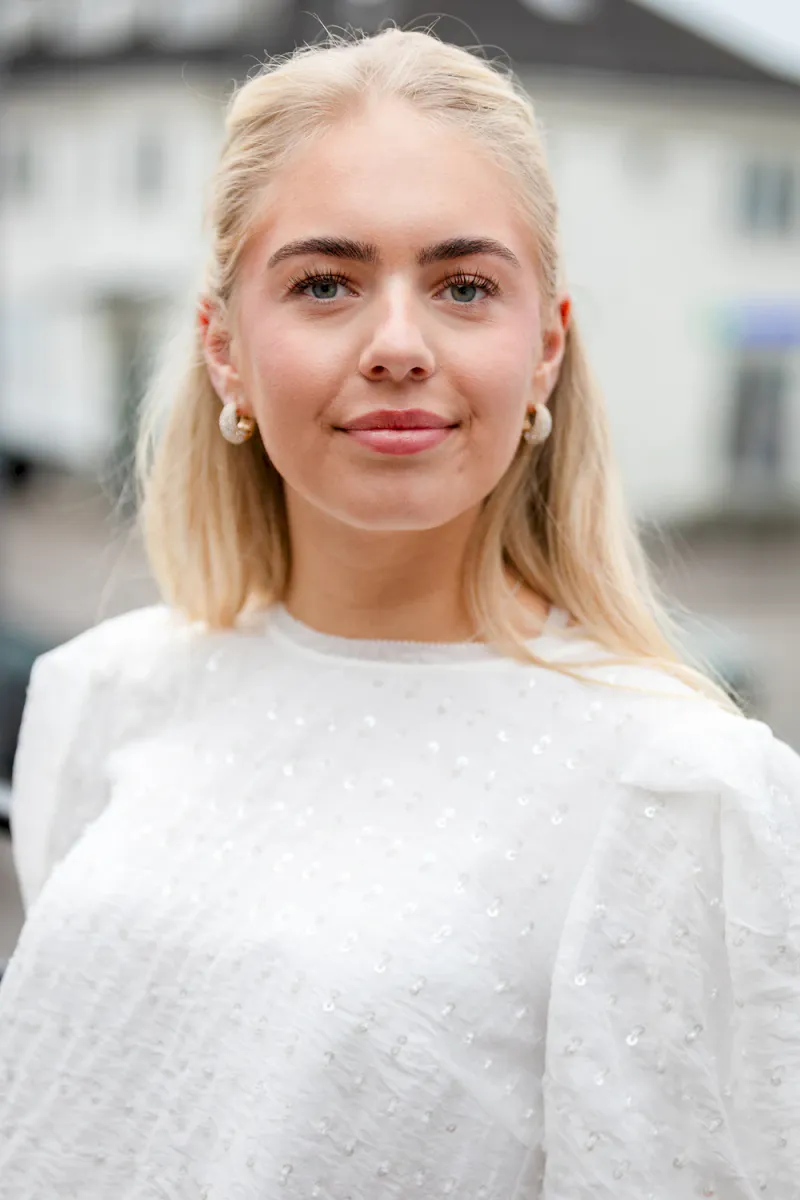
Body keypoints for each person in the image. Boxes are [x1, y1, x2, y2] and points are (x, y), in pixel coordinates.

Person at [0, 26, 798, 1200]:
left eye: (463, 286)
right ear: (223, 349)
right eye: (324, 283)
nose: (395, 346)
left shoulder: (676, 792)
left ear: (544, 351)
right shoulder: (102, 695)